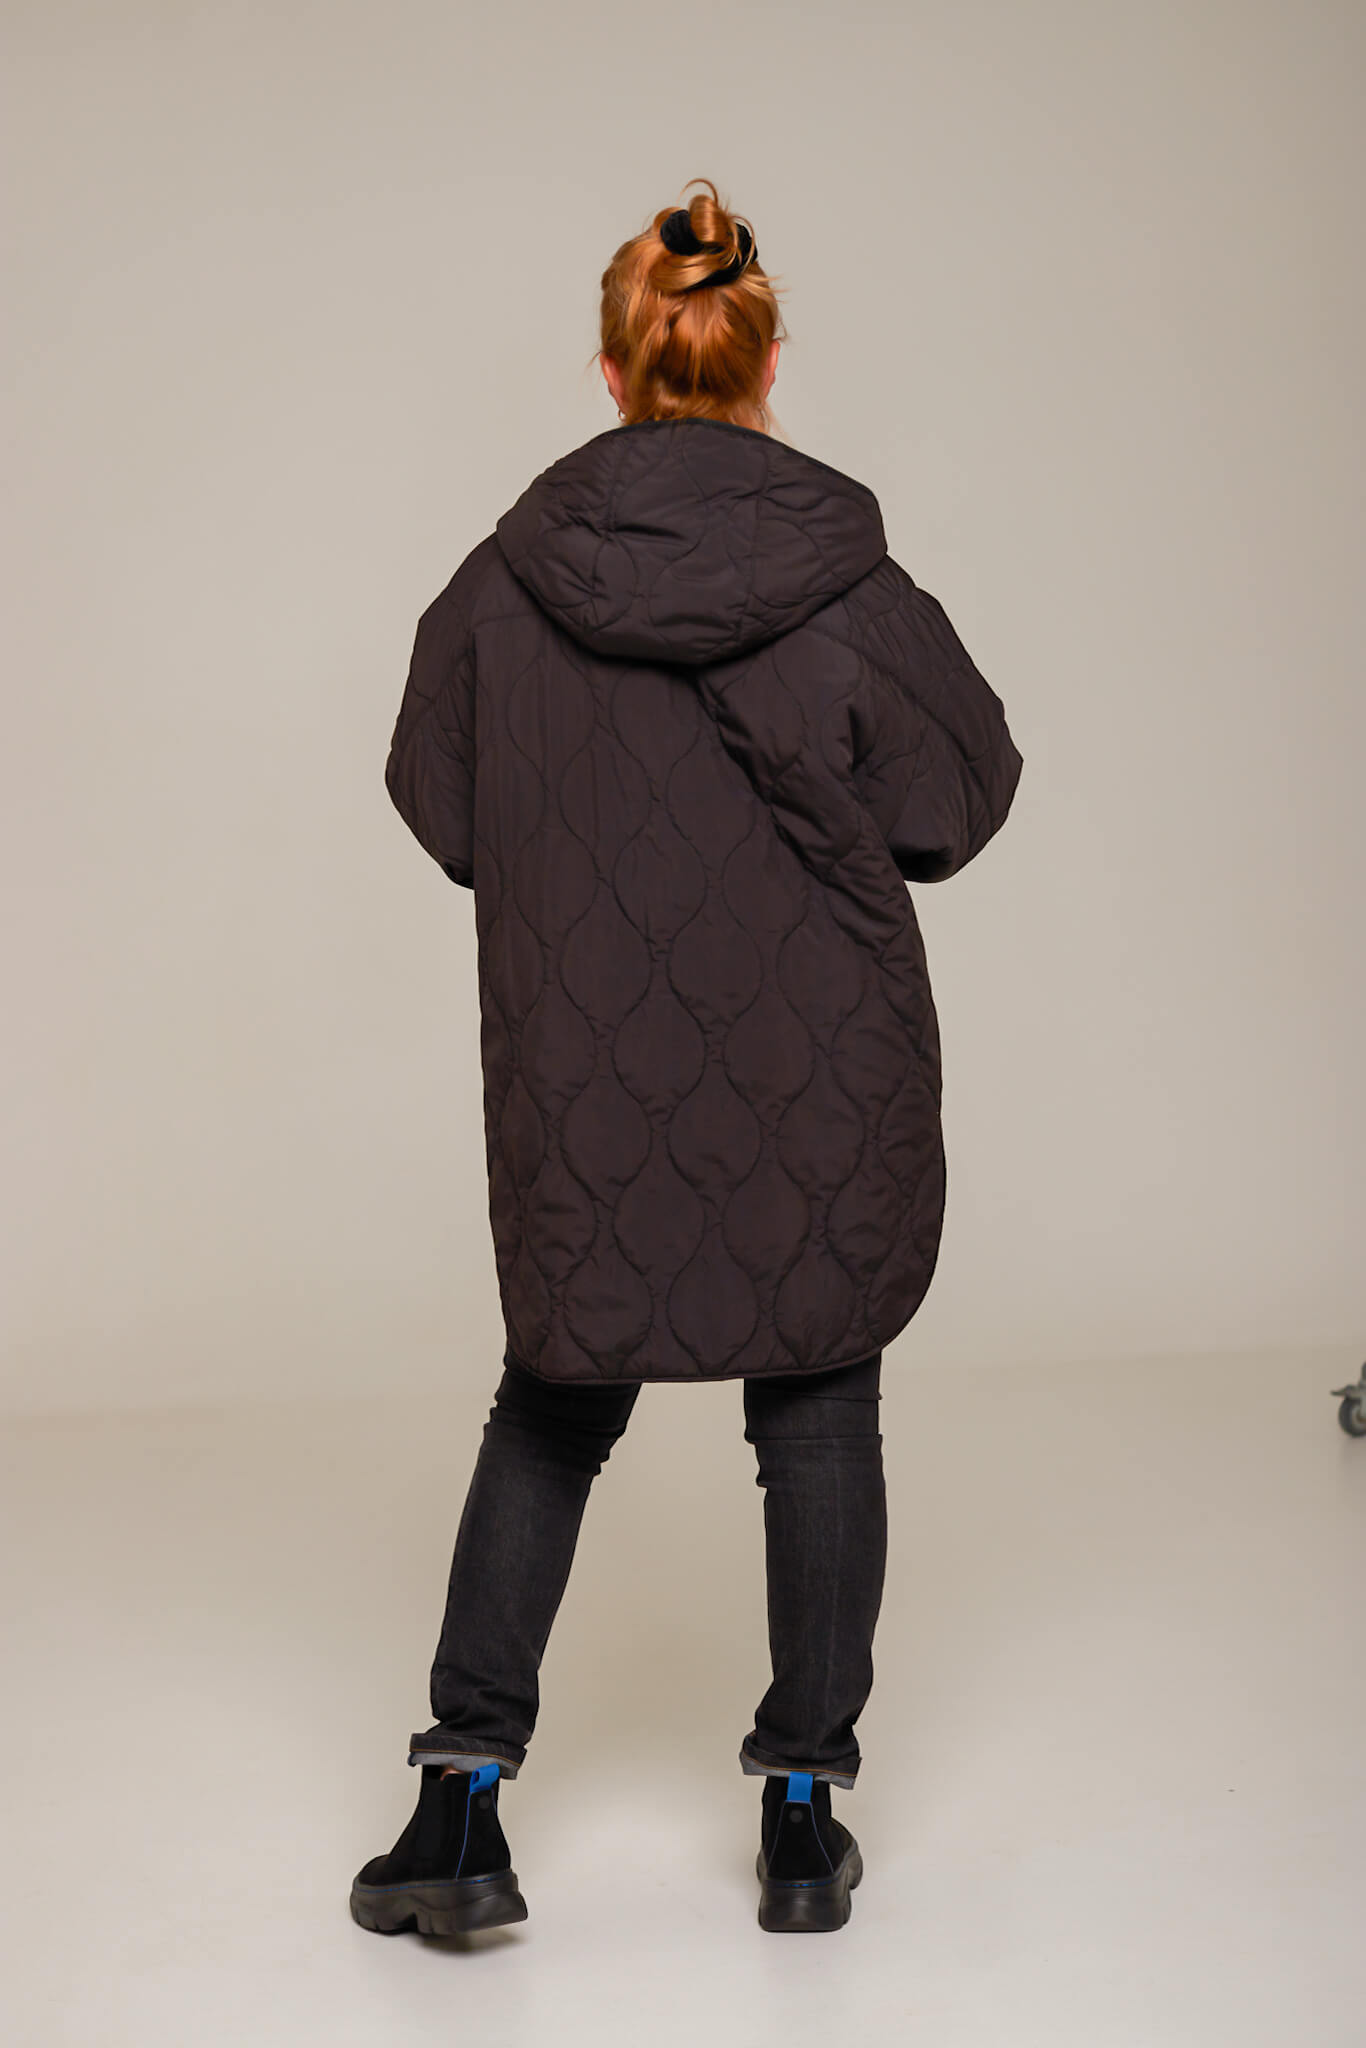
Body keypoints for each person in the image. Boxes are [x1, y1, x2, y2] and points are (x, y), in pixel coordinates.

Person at [350, 177, 1023, 1939]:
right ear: (765, 362)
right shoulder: (853, 586)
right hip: (823, 1059)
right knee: (819, 1403)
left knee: (552, 1403)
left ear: (611, 369)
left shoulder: (501, 587)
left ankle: (456, 1810)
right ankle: (802, 1815)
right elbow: (956, 802)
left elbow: (441, 799)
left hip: (585, 1065)